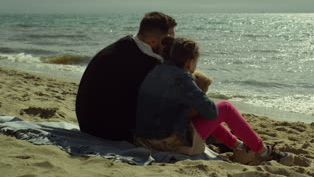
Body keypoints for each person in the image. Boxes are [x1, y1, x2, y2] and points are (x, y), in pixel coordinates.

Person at [134, 37, 293, 165]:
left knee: (197, 112)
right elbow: (212, 113)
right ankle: (264, 151)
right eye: (196, 62)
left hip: (145, 139)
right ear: (190, 62)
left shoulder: (157, 69)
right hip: (169, 144)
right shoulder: (183, 77)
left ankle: (238, 145)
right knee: (225, 108)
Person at [75, 11, 177, 142]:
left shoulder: (127, 45)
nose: (172, 43)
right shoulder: (144, 62)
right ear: (152, 41)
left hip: (88, 122)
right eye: (169, 39)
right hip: (105, 130)